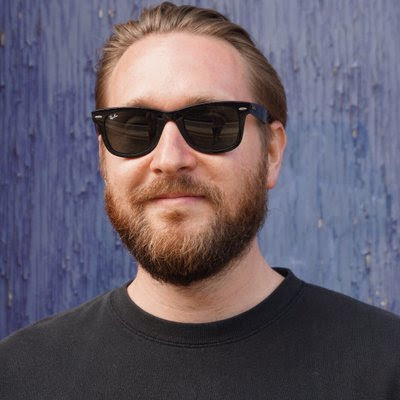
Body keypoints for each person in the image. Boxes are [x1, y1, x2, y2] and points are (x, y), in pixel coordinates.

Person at [1, 2, 399, 399]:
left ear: (272, 152)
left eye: (211, 123)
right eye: (134, 128)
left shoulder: (385, 367)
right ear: (104, 157)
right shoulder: (19, 377)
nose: (170, 159)